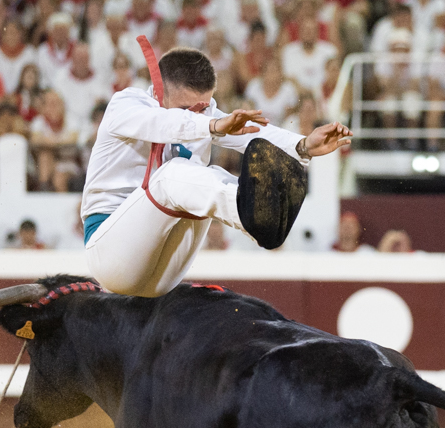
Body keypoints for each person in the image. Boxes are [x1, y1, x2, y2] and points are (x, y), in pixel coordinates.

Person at [81, 46, 350, 298]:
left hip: (162, 273)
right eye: (189, 108)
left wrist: (302, 145)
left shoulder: (204, 114)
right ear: (158, 90)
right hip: (110, 254)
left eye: (204, 106)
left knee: (203, 175)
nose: (199, 113)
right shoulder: (126, 104)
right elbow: (163, 123)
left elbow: (250, 135)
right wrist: (212, 124)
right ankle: (248, 213)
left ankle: (261, 214)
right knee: (172, 175)